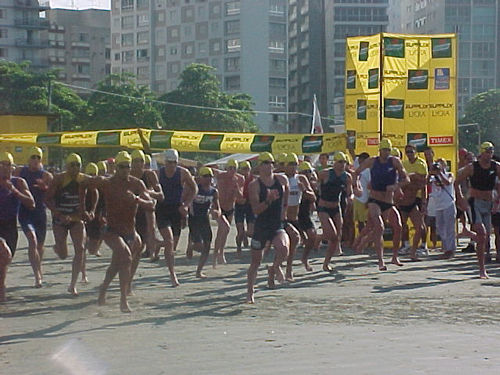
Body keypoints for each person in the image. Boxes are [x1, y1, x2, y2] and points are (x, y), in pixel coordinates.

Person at [80, 151, 154, 312]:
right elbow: (83, 184)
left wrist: (136, 199)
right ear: (115, 168)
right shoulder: (107, 183)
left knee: (116, 265)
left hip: (130, 230)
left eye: (127, 166)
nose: (125, 170)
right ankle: (123, 300)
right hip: (111, 230)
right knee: (126, 256)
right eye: (122, 167)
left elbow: (151, 204)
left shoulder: (136, 184)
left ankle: (102, 291)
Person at [354, 138, 409, 270]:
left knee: (398, 227)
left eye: (388, 150)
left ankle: (394, 256)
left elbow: (406, 178)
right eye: (384, 150)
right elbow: (356, 173)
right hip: (374, 199)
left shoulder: (394, 161)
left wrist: (396, 186)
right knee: (379, 227)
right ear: (379, 150)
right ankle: (380, 261)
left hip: (388, 202)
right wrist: (356, 187)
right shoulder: (372, 161)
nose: (386, 153)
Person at [247, 152, 289, 304]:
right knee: (255, 262)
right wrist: (268, 200)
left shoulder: (281, 179)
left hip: (276, 224)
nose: (268, 165)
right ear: (259, 166)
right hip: (261, 226)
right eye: (265, 163)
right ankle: (250, 292)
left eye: (271, 162)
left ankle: (275, 268)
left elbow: (287, 191)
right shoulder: (254, 185)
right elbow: (256, 210)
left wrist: (284, 209)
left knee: (284, 248)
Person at [455, 142, 500, 279]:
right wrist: (461, 199)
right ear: (481, 153)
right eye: (487, 151)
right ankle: (482, 269)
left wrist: (497, 200)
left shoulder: (496, 166)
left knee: (484, 238)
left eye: (491, 151)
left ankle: (468, 233)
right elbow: (456, 182)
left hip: (488, 204)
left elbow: (498, 185)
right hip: (475, 203)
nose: (489, 154)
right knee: (482, 233)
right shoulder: (472, 167)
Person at [45, 153, 87, 296]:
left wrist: (90, 210)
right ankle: (58, 247)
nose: (75, 168)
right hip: (60, 218)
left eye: (77, 165)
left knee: (80, 249)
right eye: (72, 165)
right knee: (63, 254)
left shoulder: (83, 179)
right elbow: (47, 200)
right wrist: (59, 215)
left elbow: (94, 193)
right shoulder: (59, 179)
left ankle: (72, 284)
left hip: (76, 218)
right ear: (67, 166)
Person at [156, 148, 197, 286]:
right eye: (169, 162)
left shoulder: (183, 173)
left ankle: (156, 245)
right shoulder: (158, 173)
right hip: (162, 209)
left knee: (171, 245)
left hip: (176, 210)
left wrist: (186, 204)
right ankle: (173, 275)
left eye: (174, 162)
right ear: (165, 162)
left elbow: (194, 188)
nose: (171, 165)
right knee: (169, 240)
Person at [15, 146, 53, 287]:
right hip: (25, 212)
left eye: (38, 157)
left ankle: (38, 267)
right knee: (32, 240)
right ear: (28, 159)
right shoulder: (20, 171)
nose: (35, 160)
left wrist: (46, 188)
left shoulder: (46, 176)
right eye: (33, 157)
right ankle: (37, 275)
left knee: (40, 246)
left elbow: (54, 194)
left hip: (40, 214)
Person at [0, 152, 35, 301]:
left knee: (5, 261)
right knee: (4, 253)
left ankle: (1, 286)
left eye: (9, 165)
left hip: (10, 226)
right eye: (3, 164)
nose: (6, 168)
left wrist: (13, 191)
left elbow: (31, 203)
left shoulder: (19, 182)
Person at [317, 151, 353, 272]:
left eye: (344, 162)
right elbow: (315, 183)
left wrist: (351, 198)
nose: (342, 164)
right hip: (323, 207)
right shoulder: (325, 173)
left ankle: (326, 263)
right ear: (334, 163)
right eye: (340, 162)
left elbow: (350, 192)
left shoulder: (347, 177)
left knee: (337, 234)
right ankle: (317, 239)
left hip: (336, 207)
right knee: (331, 235)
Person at [283, 153, 315, 281]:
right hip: (282, 218)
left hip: (296, 218)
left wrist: (305, 191)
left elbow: (313, 197)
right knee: (283, 245)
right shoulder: (280, 178)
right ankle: (275, 268)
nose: (293, 167)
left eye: (295, 164)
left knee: (302, 240)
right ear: (285, 166)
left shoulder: (301, 178)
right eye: (290, 164)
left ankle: (291, 267)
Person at [130, 149, 164, 264]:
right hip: (133, 209)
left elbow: (160, 195)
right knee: (137, 237)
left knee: (150, 229)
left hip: (147, 207)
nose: (137, 164)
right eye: (135, 161)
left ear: (144, 162)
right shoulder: (126, 174)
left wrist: (147, 192)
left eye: (140, 161)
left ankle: (153, 252)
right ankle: (156, 245)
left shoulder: (149, 174)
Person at [397, 144, 428, 261]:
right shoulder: (403, 164)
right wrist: (413, 177)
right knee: (400, 226)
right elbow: (401, 181)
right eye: (407, 152)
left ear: (415, 152)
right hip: (404, 199)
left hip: (417, 198)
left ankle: (420, 248)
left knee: (420, 226)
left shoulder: (421, 163)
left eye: (411, 152)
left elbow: (423, 182)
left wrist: (411, 178)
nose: (409, 154)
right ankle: (404, 246)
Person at [189, 167, 221, 278]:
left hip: (204, 218)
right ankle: (191, 245)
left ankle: (199, 271)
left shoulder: (213, 191)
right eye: (205, 176)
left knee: (207, 245)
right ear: (200, 178)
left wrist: (216, 212)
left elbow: (217, 207)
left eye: (210, 176)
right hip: (193, 219)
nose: (208, 179)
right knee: (199, 246)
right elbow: (186, 201)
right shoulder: (195, 189)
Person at [212, 158, 244, 266]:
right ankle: (216, 254)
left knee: (225, 232)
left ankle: (221, 252)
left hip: (230, 208)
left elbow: (241, 198)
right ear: (226, 168)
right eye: (230, 168)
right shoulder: (220, 176)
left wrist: (236, 189)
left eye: (234, 168)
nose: (232, 170)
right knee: (223, 228)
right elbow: (205, 168)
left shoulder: (239, 179)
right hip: (220, 207)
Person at [428, 159, 456, 259]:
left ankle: (450, 249)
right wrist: (431, 172)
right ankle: (446, 247)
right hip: (438, 205)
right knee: (440, 228)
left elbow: (448, 182)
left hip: (448, 204)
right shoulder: (433, 177)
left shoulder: (449, 174)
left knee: (449, 228)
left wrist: (440, 173)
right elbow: (427, 183)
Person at [297, 161, 317, 271]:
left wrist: (304, 190)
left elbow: (313, 198)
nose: (309, 174)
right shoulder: (295, 180)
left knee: (312, 236)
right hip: (293, 214)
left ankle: (304, 258)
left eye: (310, 172)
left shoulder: (310, 183)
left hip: (304, 214)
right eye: (306, 172)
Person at [234, 160, 255, 255]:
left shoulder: (253, 179)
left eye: (247, 169)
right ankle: (239, 247)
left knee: (250, 232)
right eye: (244, 169)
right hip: (239, 206)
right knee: (240, 231)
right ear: (240, 170)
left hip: (250, 205)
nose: (246, 171)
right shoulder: (237, 179)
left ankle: (245, 236)